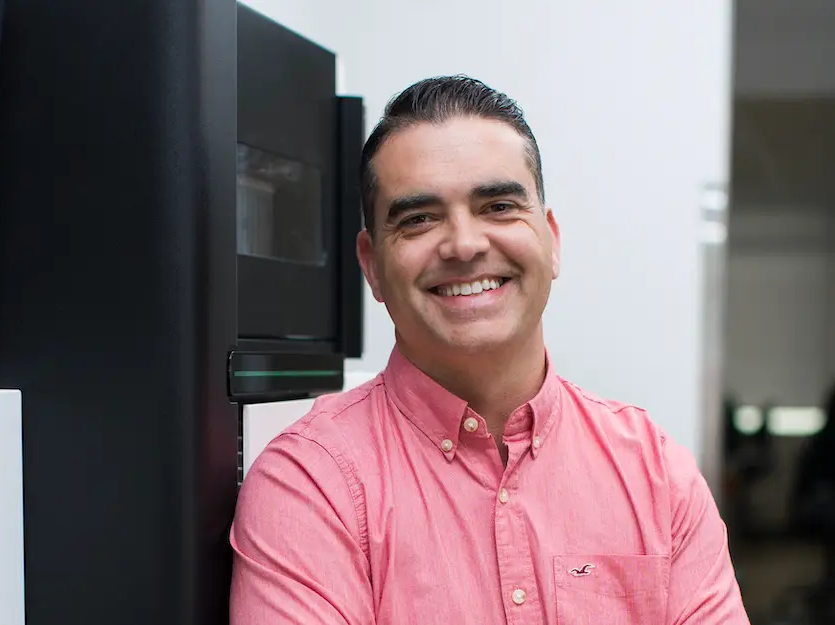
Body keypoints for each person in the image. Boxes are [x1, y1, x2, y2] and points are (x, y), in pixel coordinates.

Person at [229, 75, 750, 624]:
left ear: (550, 241)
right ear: (371, 266)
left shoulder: (655, 472)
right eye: (419, 219)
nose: (465, 244)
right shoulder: (310, 485)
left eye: (499, 206)